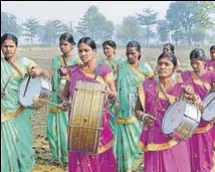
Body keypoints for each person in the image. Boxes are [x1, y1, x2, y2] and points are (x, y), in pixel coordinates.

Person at [135, 52, 201, 172]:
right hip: (153, 140)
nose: (163, 67)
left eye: (167, 64)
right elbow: (137, 110)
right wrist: (144, 117)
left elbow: (201, 109)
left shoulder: (183, 88)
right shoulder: (146, 86)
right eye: (160, 64)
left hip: (174, 141)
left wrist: (193, 97)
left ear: (174, 68)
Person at [60, 37, 117, 172]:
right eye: (80, 51)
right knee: (80, 158)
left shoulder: (104, 69)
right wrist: (65, 102)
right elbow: (64, 94)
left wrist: (106, 90)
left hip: (98, 123)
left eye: (86, 50)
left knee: (98, 157)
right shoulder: (73, 72)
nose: (83, 54)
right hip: (77, 122)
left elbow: (114, 95)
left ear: (94, 51)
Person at [1, 33, 49, 171]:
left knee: (23, 145)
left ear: (16, 47)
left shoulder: (25, 62)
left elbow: (45, 74)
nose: (8, 49)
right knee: (4, 149)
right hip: (3, 113)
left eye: (11, 46)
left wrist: (39, 71)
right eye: (5, 46)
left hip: (20, 113)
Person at [112, 41, 154, 172]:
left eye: (133, 54)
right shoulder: (122, 66)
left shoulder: (145, 67)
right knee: (123, 144)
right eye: (128, 54)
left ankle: (139, 164)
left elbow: (153, 84)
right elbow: (117, 83)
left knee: (137, 139)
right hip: (122, 109)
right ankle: (126, 167)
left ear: (140, 53)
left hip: (137, 109)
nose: (130, 56)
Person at [46, 32, 82, 169]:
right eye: (61, 44)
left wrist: (69, 71)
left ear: (72, 45)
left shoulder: (78, 61)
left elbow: (83, 77)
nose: (63, 47)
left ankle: (67, 158)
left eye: (66, 44)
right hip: (55, 98)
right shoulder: (55, 59)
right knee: (51, 131)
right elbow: (51, 77)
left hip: (68, 100)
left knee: (65, 131)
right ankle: (55, 156)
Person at [181, 48, 215, 172]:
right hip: (190, 122)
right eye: (192, 63)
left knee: (206, 155)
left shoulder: (212, 76)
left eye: (197, 63)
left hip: (206, 123)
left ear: (204, 61)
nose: (195, 66)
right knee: (191, 156)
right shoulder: (186, 76)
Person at [98, 40, 124, 131]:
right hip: (105, 93)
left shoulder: (121, 62)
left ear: (114, 49)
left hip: (118, 92)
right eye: (104, 49)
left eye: (108, 48)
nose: (106, 51)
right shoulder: (101, 62)